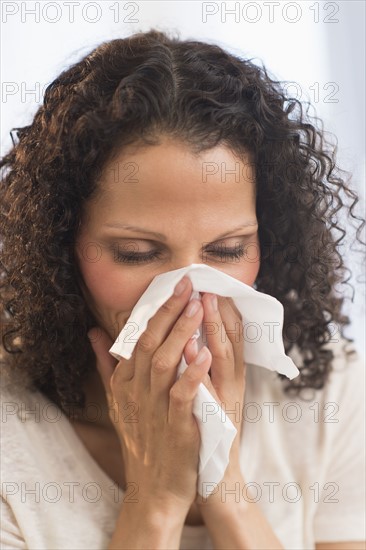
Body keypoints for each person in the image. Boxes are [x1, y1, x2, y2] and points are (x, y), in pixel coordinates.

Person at [0, 29, 365, 550]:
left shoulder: (333, 394)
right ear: (60, 245)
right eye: (137, 254)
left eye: (227, 250)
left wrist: (228, 490)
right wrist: (154, 504)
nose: (189, 294)